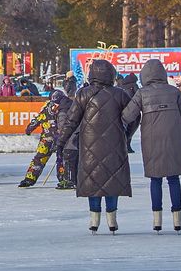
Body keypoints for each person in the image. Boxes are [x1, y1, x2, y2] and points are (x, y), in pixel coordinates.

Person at [56, 59, 136, 234]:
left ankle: (94, 220)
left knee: (93, 179)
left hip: (89, 146)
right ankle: (112, 220)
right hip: (115, 144)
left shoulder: (83, 94)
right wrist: (126, 134)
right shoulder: (120, 94)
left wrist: (61, 142)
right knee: (112, 179)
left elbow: (71, 120)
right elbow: (134, 115)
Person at [121, 60, 181, 233]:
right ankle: (177, 220)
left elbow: (127, 115)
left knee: (155, 179)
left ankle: (157, 220)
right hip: (174, 141)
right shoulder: (174, 92)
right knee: (173, 179)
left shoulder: (142, 93)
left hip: (151, 141)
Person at [18, 90, 64, 187]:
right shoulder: (48, 108)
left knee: (61, 159)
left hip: (59, 138)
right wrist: (29, 128)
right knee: (40, 158)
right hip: (49, 138)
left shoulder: (63, 108)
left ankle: (63, 179)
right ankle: (29, 178)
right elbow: (38, 119)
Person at [55, 76, 79, 190]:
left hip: (69, 140)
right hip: (75, 139)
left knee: (68, 161)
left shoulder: (63, 112)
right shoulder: (74, 107)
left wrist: (61, 140)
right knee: (73, 160)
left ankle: (69, 180)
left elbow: (63, 127)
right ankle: (72, 179)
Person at [118, 72, 139, 153]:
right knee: (132, 129)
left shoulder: (121, 86)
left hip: (123, 110)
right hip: (133, 110)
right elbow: (138, 96)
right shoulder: (134, 85)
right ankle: (127, 145)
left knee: (125, 129)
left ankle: (124, 145)